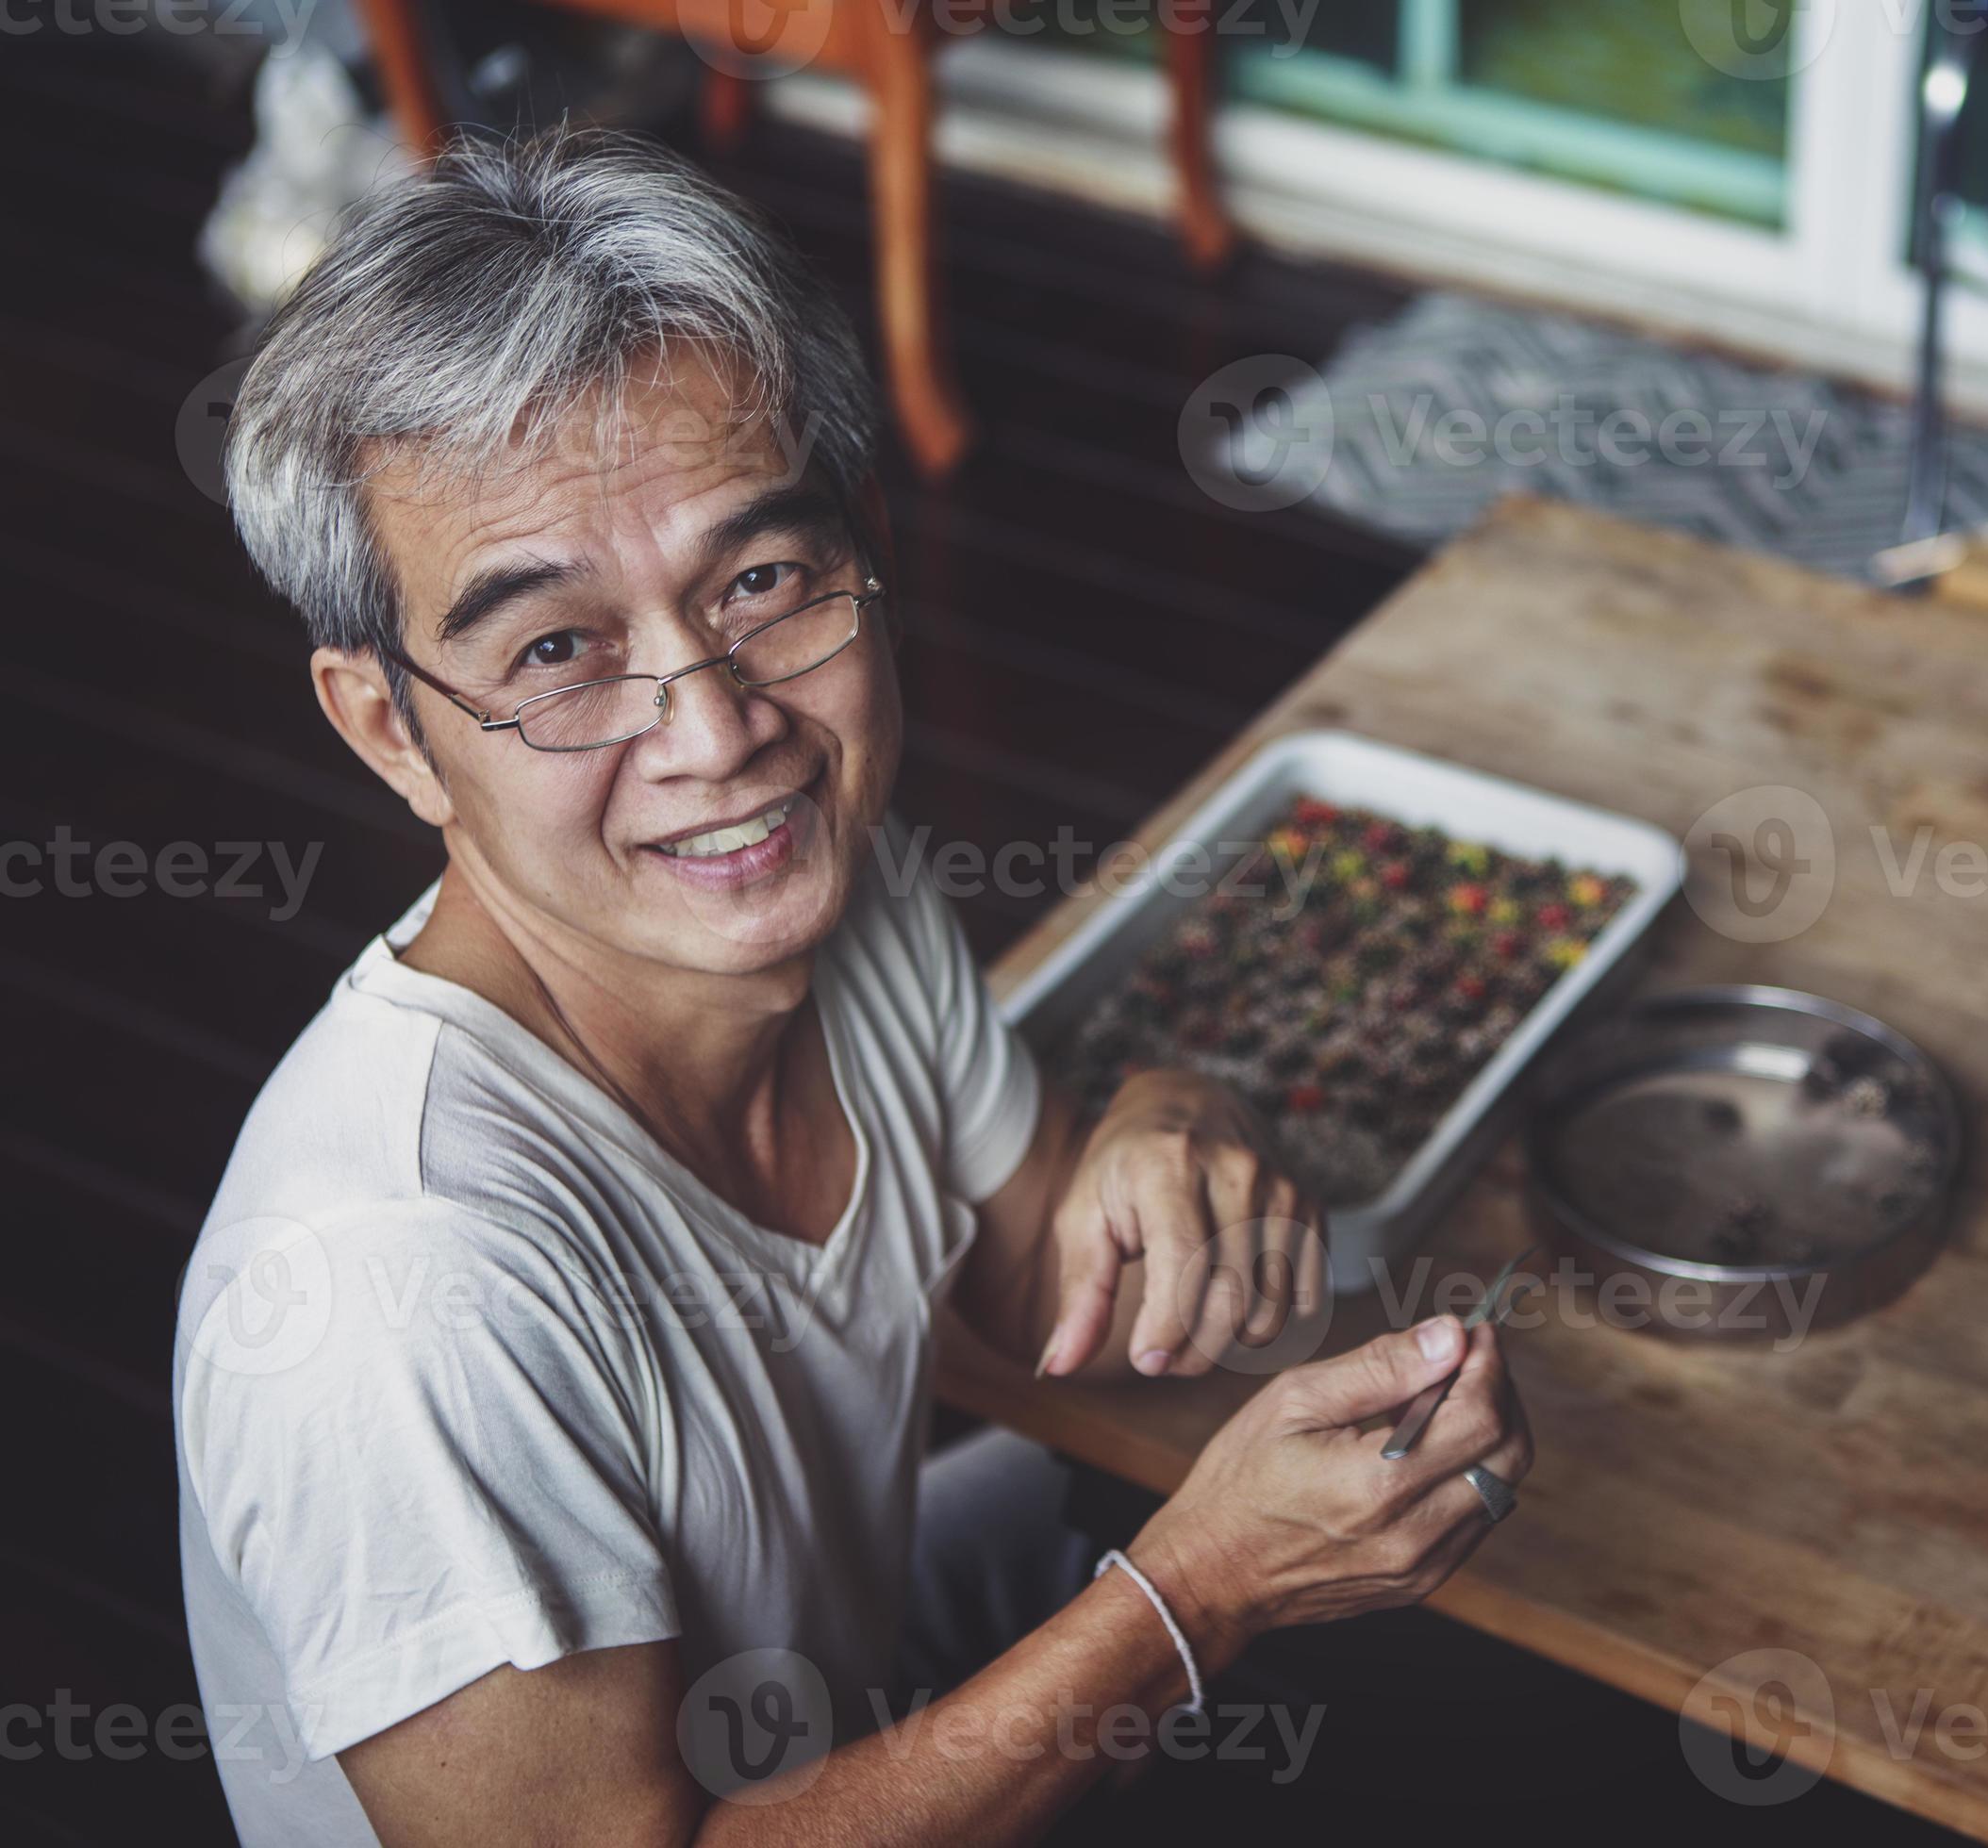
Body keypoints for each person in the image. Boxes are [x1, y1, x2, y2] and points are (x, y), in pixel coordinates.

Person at [174, 124, 1532, 1846]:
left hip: (829, 1691)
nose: (720, 730)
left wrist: (1167, 1116)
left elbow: (1056, 1302)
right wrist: (1196, 1601)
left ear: (859, 553)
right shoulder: (399, 1298)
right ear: (391, 729)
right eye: (556, 651)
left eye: (760, 581)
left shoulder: (839, 898)